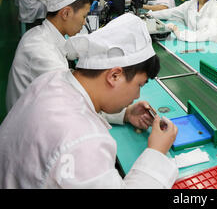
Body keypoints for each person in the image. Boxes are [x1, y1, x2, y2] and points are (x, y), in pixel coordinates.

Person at [0, 13, 179, 188]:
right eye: (139, 85)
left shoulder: (50, 80)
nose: (137, 96)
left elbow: (75, 108)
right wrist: (156, 153)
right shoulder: (84, 143)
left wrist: (125, 114)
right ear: (115, 75)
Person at [6, 0, 94, 112]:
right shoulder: (41, 51)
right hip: (31, 124)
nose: (84, 23)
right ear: (65, 13)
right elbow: (76, 101)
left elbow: (68, 47)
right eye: (84, 16)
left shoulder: (40, 33)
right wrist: (123, 114)